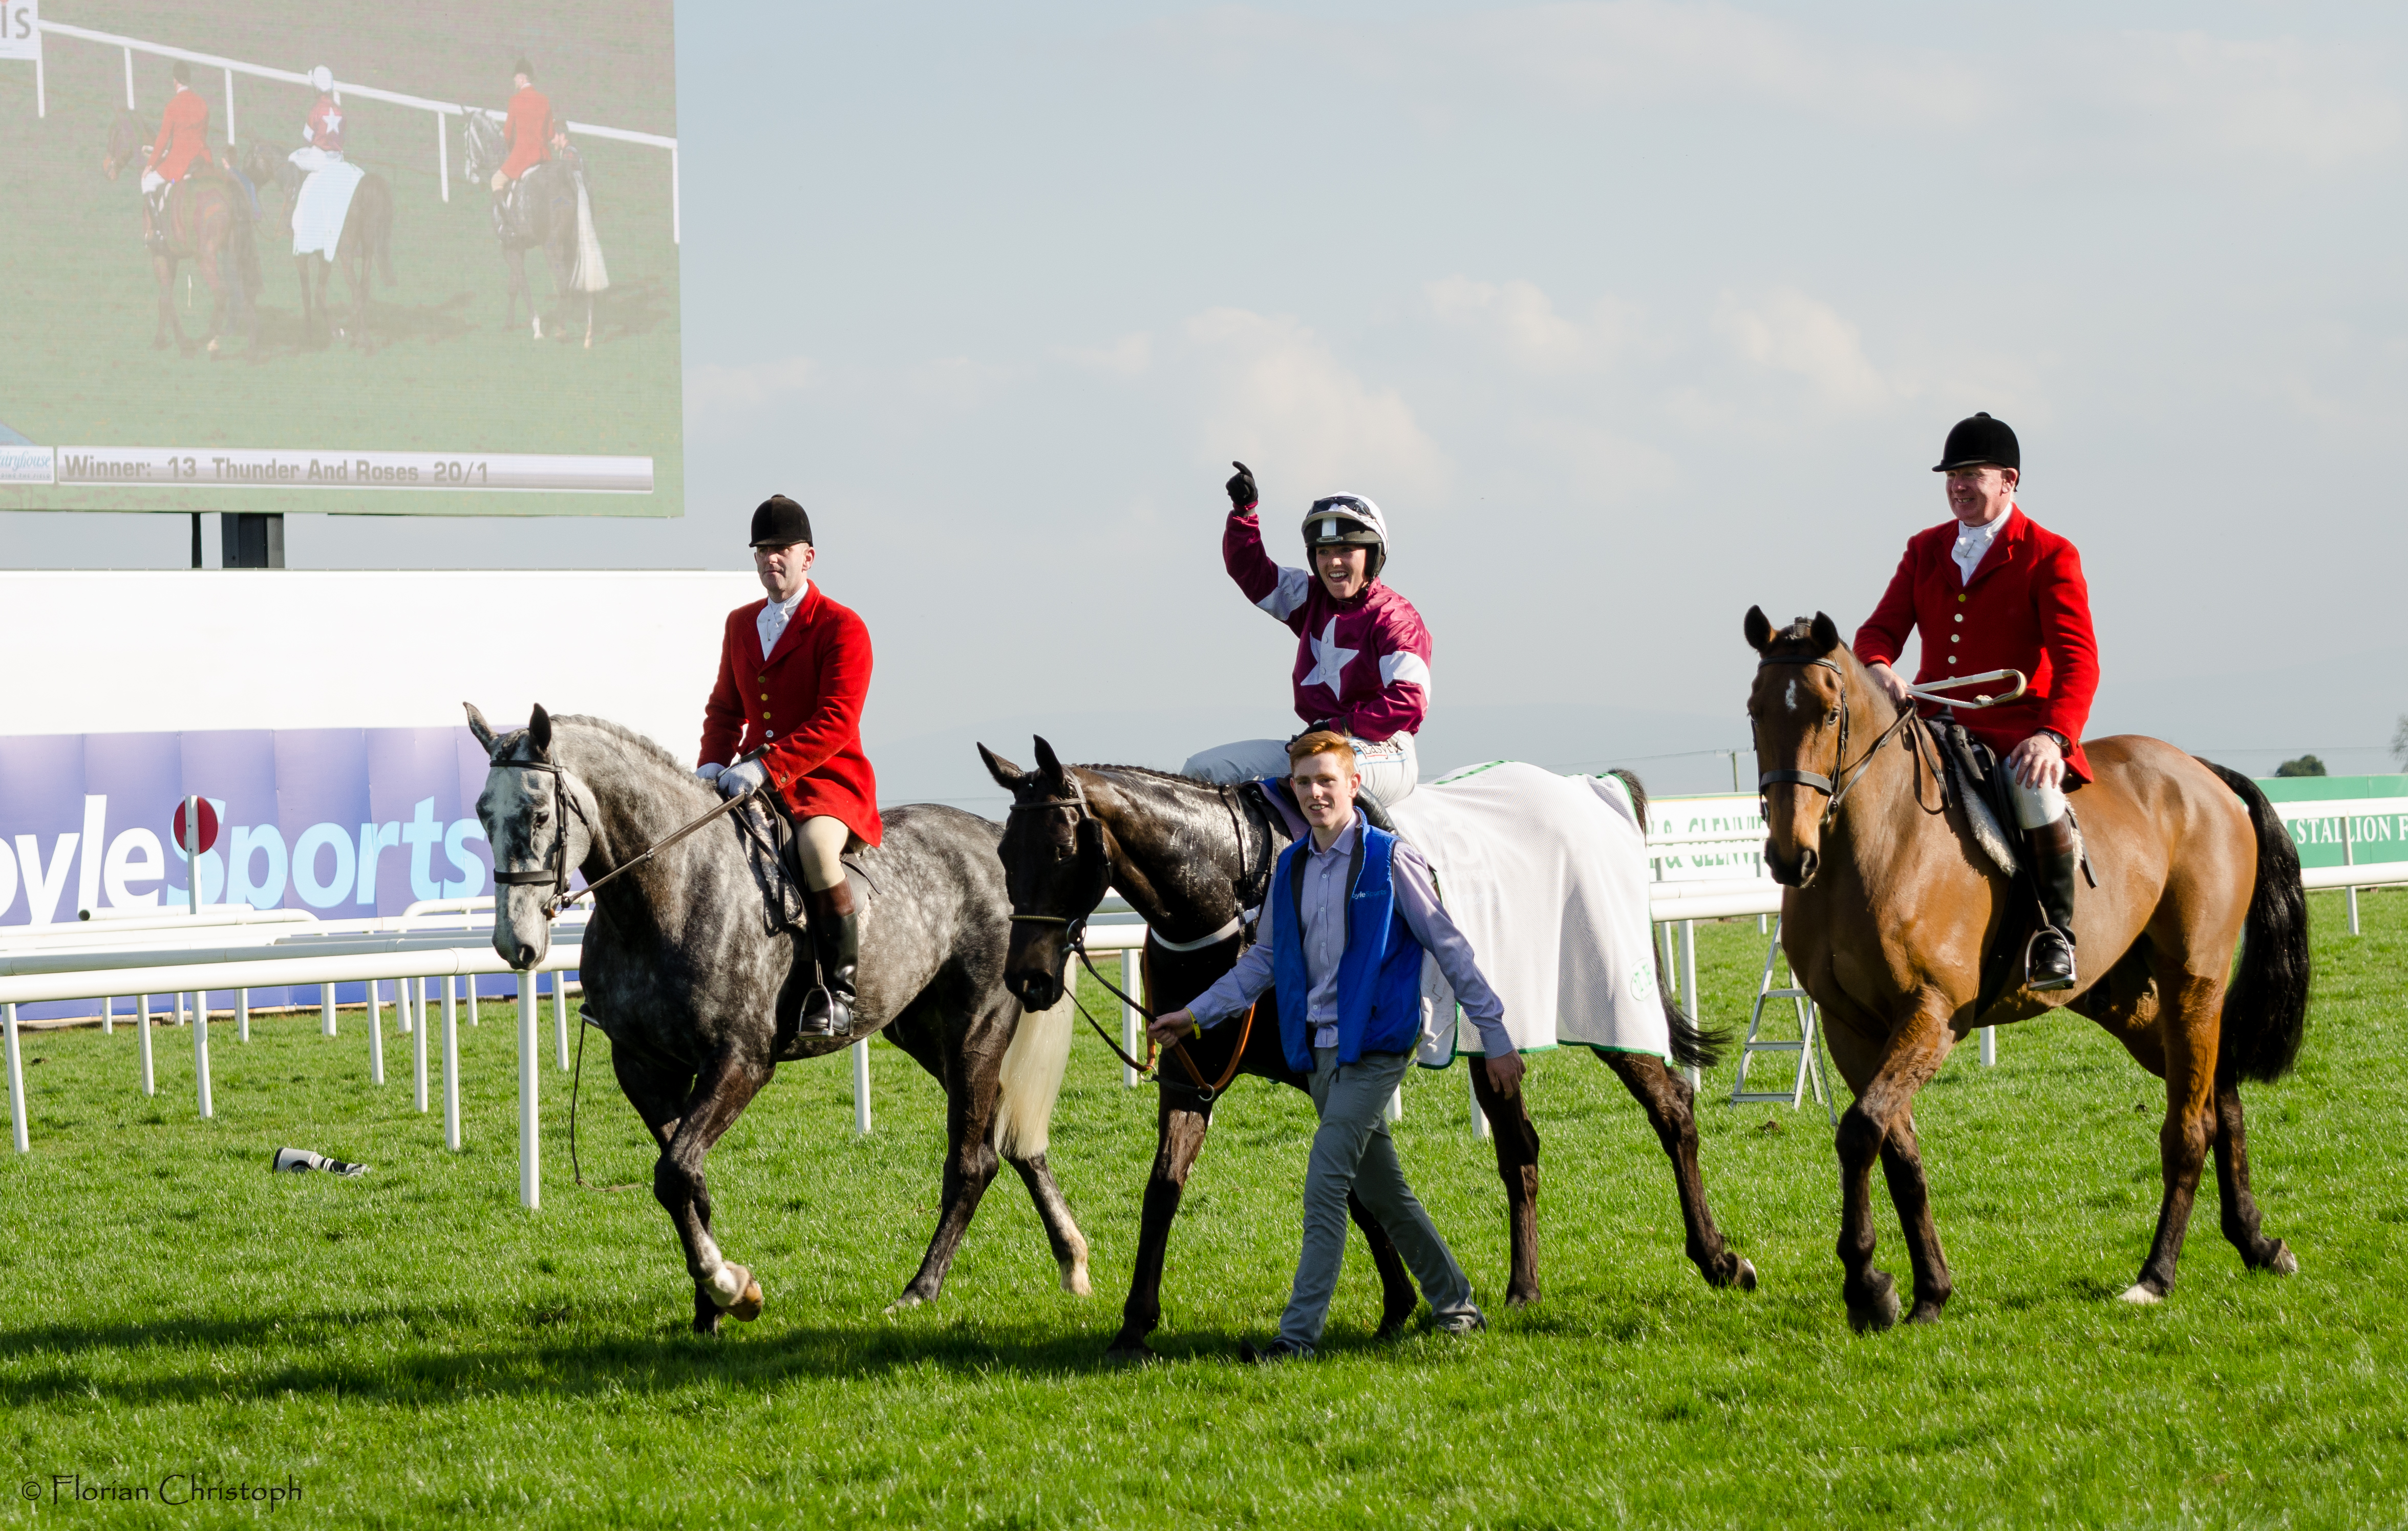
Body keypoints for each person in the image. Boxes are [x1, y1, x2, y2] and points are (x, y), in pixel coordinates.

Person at [1149, 731, 1524, 1361]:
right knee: (1385, 1192)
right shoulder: (1291, 866)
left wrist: (1496, 1035)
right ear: (1292, 788)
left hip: (1377, 1049)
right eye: (1304, 782)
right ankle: (1457, 1305)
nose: (1316, 792)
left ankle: (1296, 1339)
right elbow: (1263, 960)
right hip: (1318, 1054)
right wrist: (1193, 1013)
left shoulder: (1390, 858)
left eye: (1328, 780)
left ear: (1354, 785)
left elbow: (1449, 946)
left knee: (1324, 1183)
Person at [1855, 412, 2099, 991]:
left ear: (2008, 480)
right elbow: (1877, 632)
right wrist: (1878, 667)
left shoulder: (2049, 554)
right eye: (1950, 476)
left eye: (1970, 474)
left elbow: (2078, 662)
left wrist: (2053, 735)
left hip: (2017, 729)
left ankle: (2053, 933)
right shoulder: (1924, 548)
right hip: (1933, 721)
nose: (1956, 486)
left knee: (2035, 792)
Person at [698, 496, 881, 1036]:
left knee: (814, 850)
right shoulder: (739, 624)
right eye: (762, 550)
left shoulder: (842, 626)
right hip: (752, 776)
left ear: (808, 556)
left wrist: (765, 766)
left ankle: (840, 992)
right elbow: (726, 707)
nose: (770, 559)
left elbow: (837, 720)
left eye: (781, 549)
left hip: (828, 778)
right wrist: (711, 762)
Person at [1183, 461, 1432, 814]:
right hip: (1318, 743)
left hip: (1386, 748)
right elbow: (1252, 574)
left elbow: (1409, 702)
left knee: (1319, 772)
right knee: (1202, 770)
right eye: (1324, 552)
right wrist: (1244, 514)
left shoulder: (1395, 618)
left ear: (1373, 555)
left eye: (1345, 550)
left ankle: (1394, 855)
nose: (1333, 563)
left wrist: (1340, 727)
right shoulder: (1310, 597)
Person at [140, 60, 215, 251]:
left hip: (178, 169)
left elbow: (163, 139)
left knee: (148, 183)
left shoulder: (173, 106)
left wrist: (150, 165)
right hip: (203, 160)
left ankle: (158, 231)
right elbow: (204, 134)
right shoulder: (202, 104)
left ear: (175, 81)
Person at [489, 58, 567, 233]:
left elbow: (508, 133)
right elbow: (549, 134)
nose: (514, 81)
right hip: (543, 156)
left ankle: (508, 226)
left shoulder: (515, 101)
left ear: (522, 78)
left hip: (522, 157)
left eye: (516, 78)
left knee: (496, 181)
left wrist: (509, 151)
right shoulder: (544, 100)